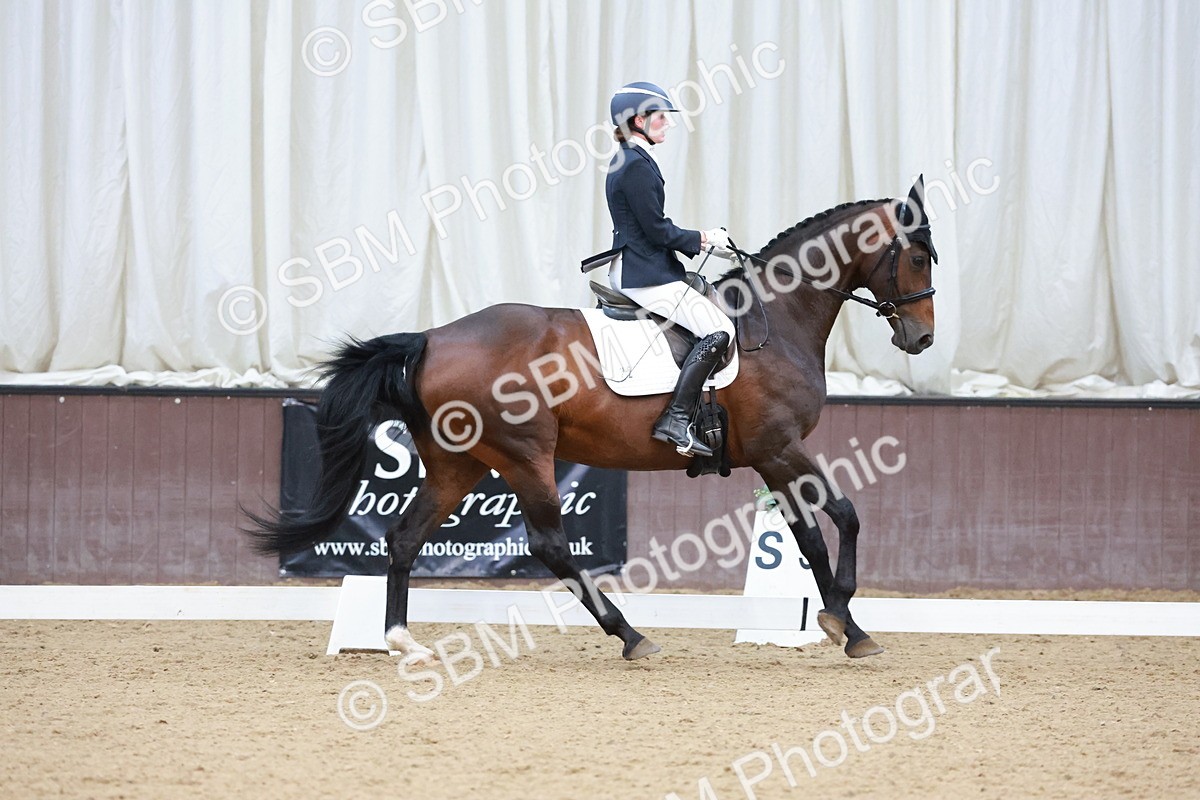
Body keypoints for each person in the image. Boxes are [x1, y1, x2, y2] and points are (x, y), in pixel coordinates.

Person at [604, 81, 736, 458]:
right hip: (644, 274)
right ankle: (675, 419)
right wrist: (704, 238)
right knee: (720, 330)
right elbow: (657, 230)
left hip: (640, 264)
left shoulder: (631, 158)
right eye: (661, 117)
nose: (669, 123)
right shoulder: (635, 165)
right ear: (639, 120)